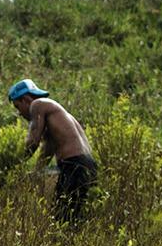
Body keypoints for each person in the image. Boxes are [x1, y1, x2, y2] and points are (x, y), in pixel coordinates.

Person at [8, 78, 98, 224]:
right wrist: (36, 171)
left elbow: (32, 142)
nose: (19, 113)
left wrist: (13, 163)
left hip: (73, 166)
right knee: (77, 218)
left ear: (25, 99)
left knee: (64, 219)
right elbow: (47, 149)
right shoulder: (54, 112)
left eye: (18, 107)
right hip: (87, 165)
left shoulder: (37, 104)